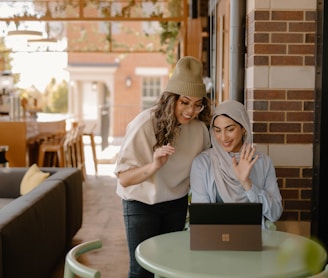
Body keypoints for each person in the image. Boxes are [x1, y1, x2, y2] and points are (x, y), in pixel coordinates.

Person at [114, 56, 212, 278]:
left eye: (198, 104)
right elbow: (124, 179)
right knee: (141, 271)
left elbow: (205, 170)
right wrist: (154, 165)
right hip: (141, 203)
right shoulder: (144, 124)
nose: (190, 111)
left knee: (170, 267)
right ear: (171, 99)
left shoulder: (199, 130)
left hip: (175, 203)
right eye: (184, 102)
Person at [190, 99, 282, 227]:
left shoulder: (262, 162)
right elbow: (201, 217)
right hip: (213, 238)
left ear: (243, 128)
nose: (223, 137)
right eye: (217, 130)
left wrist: (247, 183)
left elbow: (275, 213)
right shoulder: (202, 163)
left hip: (253, 239)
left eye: (230, 129)